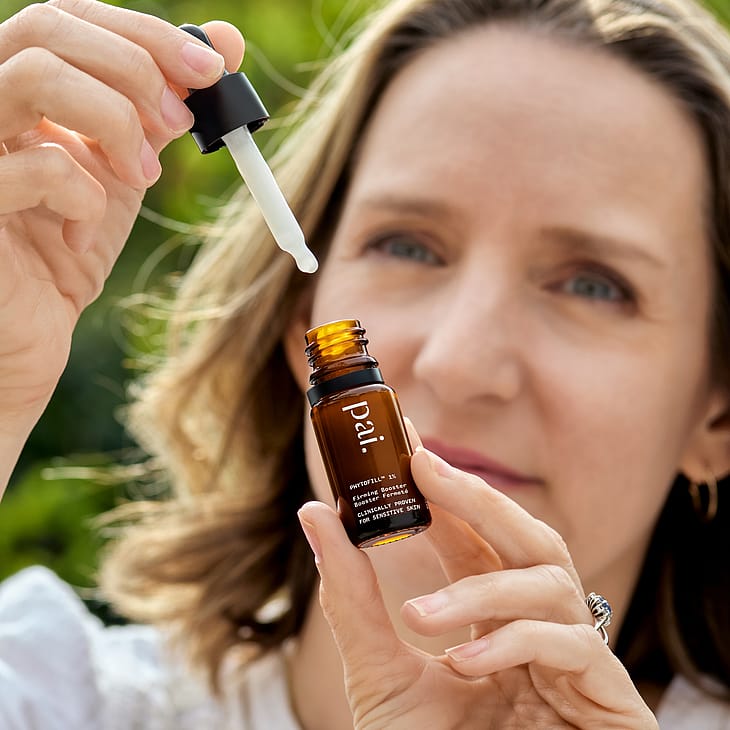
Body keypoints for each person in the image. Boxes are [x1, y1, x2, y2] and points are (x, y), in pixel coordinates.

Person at [1, 0, 729, 726]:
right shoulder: (53, 698)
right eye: (406, 245)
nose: (459, 363)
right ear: (300, 322)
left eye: (594, 285)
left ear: (717, 414)